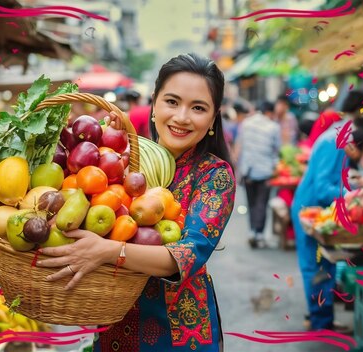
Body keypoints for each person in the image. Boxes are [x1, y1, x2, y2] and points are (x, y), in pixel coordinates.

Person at [37, 53, 236, 351]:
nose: (182, 117)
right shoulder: (128, 158)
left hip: (179, 334)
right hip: (116, 324)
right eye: (172, 101)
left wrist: (109, 251)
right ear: (154, 104)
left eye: (198, 108)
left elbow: (187, 255)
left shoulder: (214, 175)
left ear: (213, 117)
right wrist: (109, 145)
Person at [290, 91, 363, 332]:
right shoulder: (335, 140)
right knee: (317, 266)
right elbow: (323, 185)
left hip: (320, 210)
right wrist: (351, 194)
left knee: (326, 265)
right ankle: (320, 322)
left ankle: (320, 319)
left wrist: (356, 184)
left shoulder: (340, 136)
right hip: (310, 210)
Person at [234, 101, 281, 248]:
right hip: (265, 170)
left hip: (248, 169)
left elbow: (240, 144)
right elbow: (277, 149)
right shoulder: (274, 126)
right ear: (269, 112)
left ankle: (252, 232)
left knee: (251, 202)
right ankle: (259, 233)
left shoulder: (246, 123)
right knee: (262, 202)